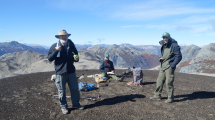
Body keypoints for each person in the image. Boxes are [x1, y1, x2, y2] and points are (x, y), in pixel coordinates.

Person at [48, 30, 84, 114]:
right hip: (60, 72)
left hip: (71, 71)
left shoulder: (71, 45)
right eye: (62, 36)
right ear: (59, 37)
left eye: (65, 36)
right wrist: (56, 51)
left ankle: (76, 104)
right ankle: (64, 107)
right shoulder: (54, 46)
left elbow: (75, 55)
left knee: (75, 89)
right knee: (61, 91)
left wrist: (77, 59)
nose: (64, 37)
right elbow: (50, 58)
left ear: (67, 36)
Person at [150, 32, 182, 104]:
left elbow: (179, 56)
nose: (165, 39)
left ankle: (170, 98)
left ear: (169, 37)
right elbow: (166, 54)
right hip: (163, 65)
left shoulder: (174, 45)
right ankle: (157, 95)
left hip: (169, 67)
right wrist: (162, 58)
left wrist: (173, 65)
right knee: (159, 81)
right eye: (164, 38)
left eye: (166, 37)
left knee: (168, 82)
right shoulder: (164, 45)